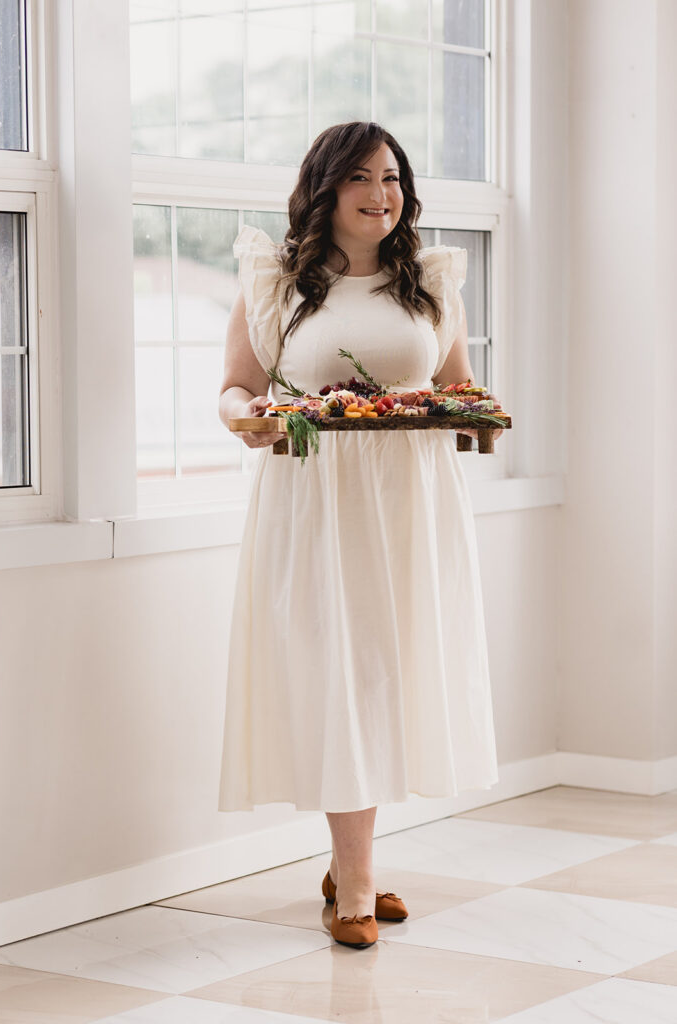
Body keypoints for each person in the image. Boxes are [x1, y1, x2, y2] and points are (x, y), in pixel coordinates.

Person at [217, 121, 501, 949]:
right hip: (312, 504)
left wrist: (475, 412)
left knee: (388, 676)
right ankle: (357, 884)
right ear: (326, 188)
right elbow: (235, 391)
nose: (383, 194)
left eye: (393, 178)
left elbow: (456, 388)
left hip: (413, 504)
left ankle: (352, 868)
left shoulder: (432, 283)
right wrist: (252, 422)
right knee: (337, 672)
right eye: (362, 179)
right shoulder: (276, 282)